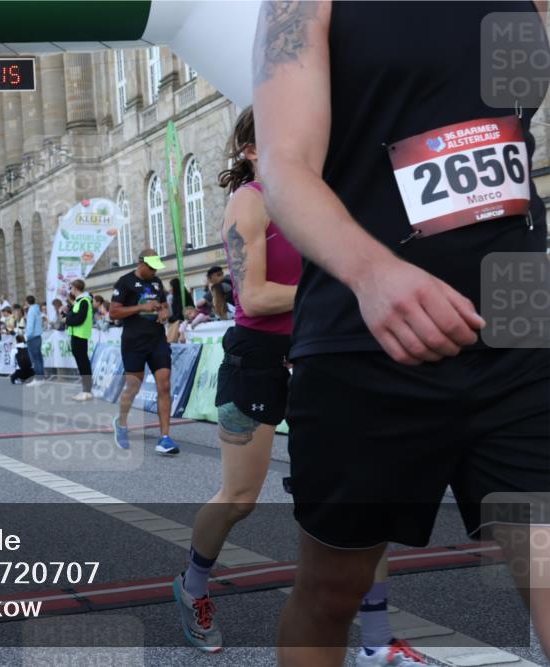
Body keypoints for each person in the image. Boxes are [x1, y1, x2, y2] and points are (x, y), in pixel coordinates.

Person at [253, 2, 549, 666]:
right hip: (365, 341)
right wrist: (372, 272)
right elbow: (284, 163)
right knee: (332, 591)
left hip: (520, 336)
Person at [174, 106, 303, 654]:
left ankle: (373, 629)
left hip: (317, 354)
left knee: (342, 489)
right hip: (257, 359)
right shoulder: (249, 201)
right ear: (250, 151)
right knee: (241, 497)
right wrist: (341, 287)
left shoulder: (316, 196)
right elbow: (255, 296)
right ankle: (193, 587)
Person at [109, 250, 178, 455]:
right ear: (141, 264)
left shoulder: (157, 282)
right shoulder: (124, 282)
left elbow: (164, 306)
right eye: (152, 268)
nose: (155, 271)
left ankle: (165, 438)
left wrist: (164, 312)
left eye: (156, 268)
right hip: (134, 342)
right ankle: (121, 423)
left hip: (157, 340)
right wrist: (141, 308)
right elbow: (113, 312)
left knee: (164, 385)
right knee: (133, 387)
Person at [64, 279, 94, 401]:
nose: (70, 290)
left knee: (83, 363)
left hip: (80, 335)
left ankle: (87, 391)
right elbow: (73, 315)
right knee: (82, 363)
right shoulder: (79, 301)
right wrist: (68, 317)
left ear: (75, 288)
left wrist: (67, 320)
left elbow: (79, 319)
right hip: (76, 335)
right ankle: (85, 390)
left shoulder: (84, 301)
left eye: (71, 288)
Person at [24, 295, 45, 385]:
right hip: (38, 336)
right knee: (39, 358)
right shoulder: (37, 309)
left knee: (35, 359)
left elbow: (30, 325)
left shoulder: (31, 311)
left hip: (32, 337)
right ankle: (41, 377)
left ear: (27, 302)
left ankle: (38, 379)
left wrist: (26, 336)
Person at [167, 278, 193, 343]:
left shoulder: (179, 298)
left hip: (182, 326)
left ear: (175, 287)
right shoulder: (182, 296)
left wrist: (169, 318)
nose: (170, 289)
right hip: (185, 325)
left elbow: (179, 315)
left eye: (171, 286)